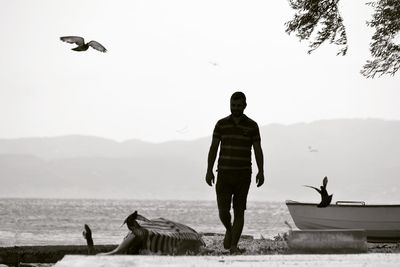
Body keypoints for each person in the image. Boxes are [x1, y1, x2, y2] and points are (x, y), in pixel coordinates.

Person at [205, 91, 265, 254]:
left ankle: (233, 246)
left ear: (245, 106)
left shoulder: (252, 126)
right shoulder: (221, 124)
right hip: (223, 173)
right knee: (223, 211)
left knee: (239, 210)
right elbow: (213, 148)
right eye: (233, 105)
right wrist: (209, 170)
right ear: (230, 105)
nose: (236, 108)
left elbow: (258, 149)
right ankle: (230, 230)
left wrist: (261, 171)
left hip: (243, 174)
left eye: (239, 105)